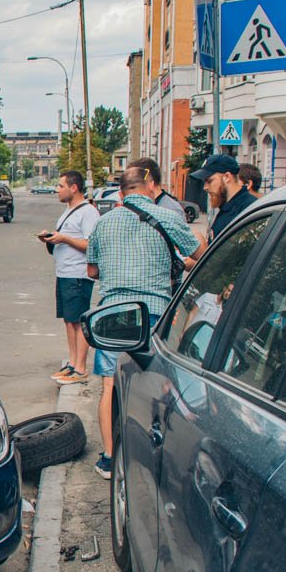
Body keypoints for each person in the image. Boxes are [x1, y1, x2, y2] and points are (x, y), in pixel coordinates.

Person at [86, 167, 202, 479]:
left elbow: (92, 272)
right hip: (155, 313)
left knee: (111, 385)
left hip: (113, 314)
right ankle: (152, 455)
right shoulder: (168, 217)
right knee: (155, 383)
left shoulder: (103, 221)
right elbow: (199, 254)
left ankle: (110, 459)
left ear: (120, 192)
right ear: (150, 186)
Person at [37, 170, 99, 385]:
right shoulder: (68, 211)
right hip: (64, 272)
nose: (57, 190)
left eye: (61, 186)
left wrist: (63, 238)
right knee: (69, 320)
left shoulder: (88, 212)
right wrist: (52, 238)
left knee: (79, 320)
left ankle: (81, 368)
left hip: (78, 274)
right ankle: (73, 363)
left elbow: (92, 245)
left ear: (74, 188)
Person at [192, 154, 255, 241]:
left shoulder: (247, 209)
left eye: (209, 181)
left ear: (227, 177)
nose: (205, 187)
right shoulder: (227, 207)